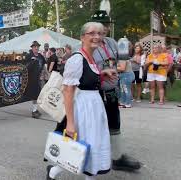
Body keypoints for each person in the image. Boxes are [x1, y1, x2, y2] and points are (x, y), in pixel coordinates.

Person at [46, 22, 114, 180]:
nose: (96, 36)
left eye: (99, 33)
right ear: (82, 37)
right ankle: (55, 172)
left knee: (87, 146)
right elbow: (68, 91)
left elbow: (85, 79)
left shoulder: (90, 57)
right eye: (91, 33)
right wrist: (70, 123)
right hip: (83, 109)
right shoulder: (77, 59)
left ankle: (53, 171)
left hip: (93, 107)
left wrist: (102, 73)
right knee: (81, 146)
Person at [91, 10, 141, 171]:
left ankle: (117, 158)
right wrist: (103, 73)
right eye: (101, 24)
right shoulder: (87, 45)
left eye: (106, 24)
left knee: (115, 124)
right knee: (94, 126)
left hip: (111, 90)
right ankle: (90, 157)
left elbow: (122, 62)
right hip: (95, 92)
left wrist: (126, 52)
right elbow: (85, 70)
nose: (104, 28)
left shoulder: (112, 42)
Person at [25, 41, 46, 118]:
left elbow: (43, 65)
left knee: (38, 94)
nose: (36, 48)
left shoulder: (40, 56)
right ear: (32, 48)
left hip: (39, 77)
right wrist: (32, 61)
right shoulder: (29, 56)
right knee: (34, 94)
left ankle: (35, 109)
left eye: (37, 46)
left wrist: (44, 74)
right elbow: (26, 67)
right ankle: (34, 111)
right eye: (35, 46)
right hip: (32, 78)